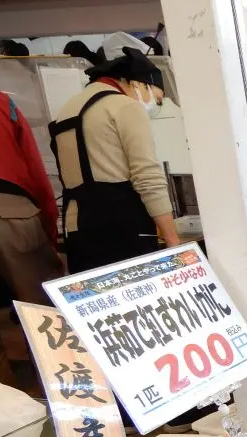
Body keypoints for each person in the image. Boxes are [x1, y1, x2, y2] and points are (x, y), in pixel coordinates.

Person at [0, 76, 64, 386]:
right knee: (47, 317)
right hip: (12, 208)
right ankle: (73, 400)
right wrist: (48, 230)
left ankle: (4, 421)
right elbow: (34, 169)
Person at [49, 47, 179, 274]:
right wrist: (172, 241)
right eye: (157, 99)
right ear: (139, 84)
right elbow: (147, 176)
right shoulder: (125, 106)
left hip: (78, 228)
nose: (154, 106)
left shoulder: (67, 109)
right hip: (123, 227)